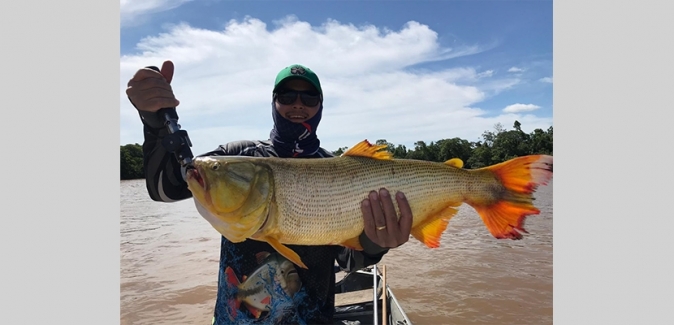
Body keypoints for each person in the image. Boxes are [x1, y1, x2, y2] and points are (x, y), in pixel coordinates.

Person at [126, 61, 413, 324]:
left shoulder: (337, 168)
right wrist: (155, 122)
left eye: (309, 98)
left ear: (321, 105)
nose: (297, 104)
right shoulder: (237, 157)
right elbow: (166, 188)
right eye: (287, 96)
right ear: (274, 102)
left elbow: (348, 260)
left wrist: (376, 245)